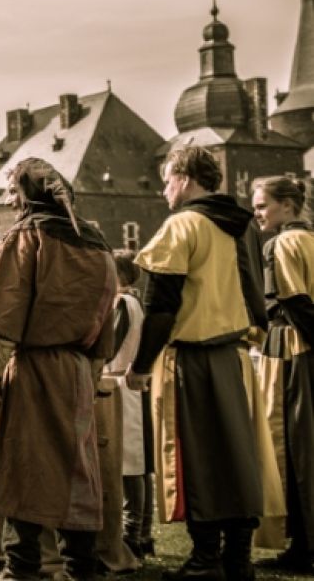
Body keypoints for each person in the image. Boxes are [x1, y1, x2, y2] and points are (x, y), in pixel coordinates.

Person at [129, 146, 281, 581]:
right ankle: (238, 559)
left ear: (185, 176)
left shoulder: (182, 226)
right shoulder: (244, 226)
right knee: (238, 458)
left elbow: (160, 307)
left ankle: (205, 560)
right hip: (235, 359)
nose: (164, 191)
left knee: (197, 460)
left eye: (166, 180)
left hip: (192, 361)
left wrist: (141, 366)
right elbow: (257, 295)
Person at [0, 158, 115, 581]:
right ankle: (80, 570)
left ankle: (22, 570)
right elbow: (105, 321)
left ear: (29, 194)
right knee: (77, 470)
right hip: (77, 370)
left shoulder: (27, 236)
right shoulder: (98, 244)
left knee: (23, 468)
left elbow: (8, 315)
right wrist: (89, 377)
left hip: (32, 367)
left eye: (14, 192)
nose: (11, 201)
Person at [251, 175, 314, 573]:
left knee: (292, 449)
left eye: (262, 205)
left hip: (293, 350)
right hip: (301, 349)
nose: (257, 213)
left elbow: (294, 302)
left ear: (287, 205)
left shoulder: (282, 244)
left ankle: (305, 545)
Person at [108, 250, 155, 562]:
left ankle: (133, 532)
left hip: (122, 384)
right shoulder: (132, 303)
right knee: (136, 462)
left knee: (131, 463)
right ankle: (142, 531)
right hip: (126, 384)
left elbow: (110, 345)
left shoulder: (124, 303)